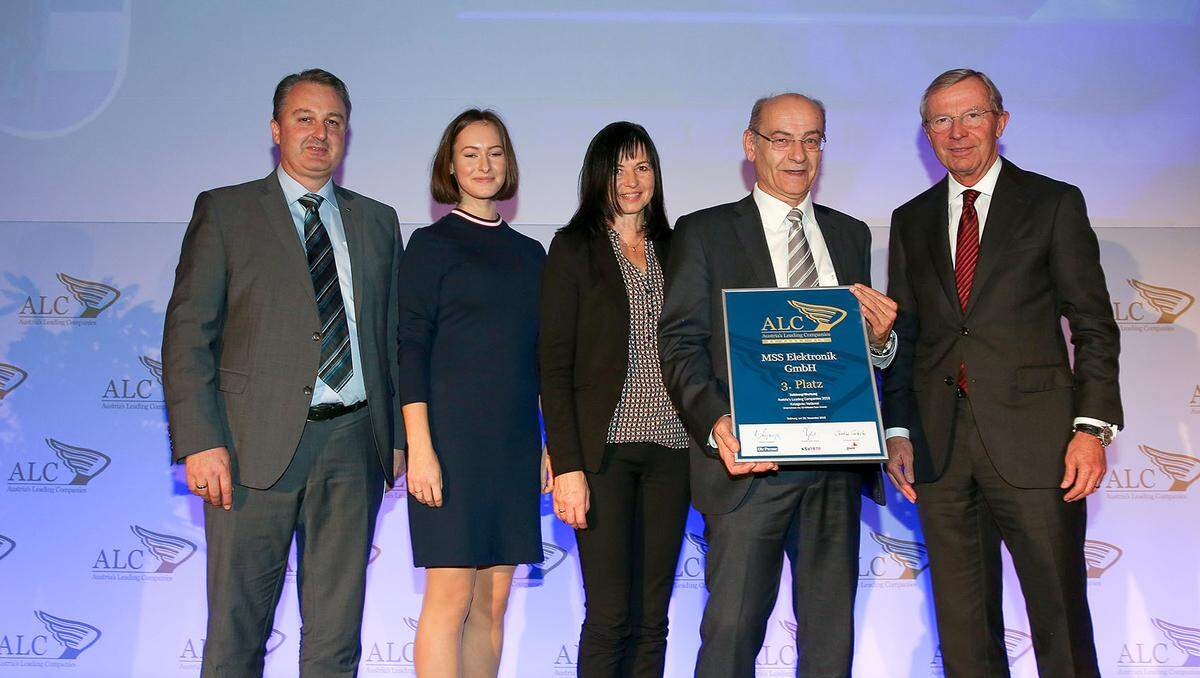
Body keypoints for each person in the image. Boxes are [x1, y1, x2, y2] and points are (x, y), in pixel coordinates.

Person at [162, 68, 403, 677]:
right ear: (276, 130)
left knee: (335, 643)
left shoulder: (378, 222)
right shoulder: (225, 211)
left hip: (354, 448)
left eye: (333, 122)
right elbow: (189, 333)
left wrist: (396, 438)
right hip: (248, 451)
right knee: (238, 635)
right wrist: (199, 441)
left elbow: (391, 338)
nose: (319, 133)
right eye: (305, 119)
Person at [882, 68, 1122, 677]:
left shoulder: (1052, 203)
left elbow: (1093, 323)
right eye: (941, 120)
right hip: (938, 450)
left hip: (1039, 444)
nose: (957, 132)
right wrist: (899, 431)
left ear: (1001, 122)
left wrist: (1091, 429)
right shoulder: (909, 220)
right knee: (964, 631)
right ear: (925, 133)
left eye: (971, 116)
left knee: (1059, 618)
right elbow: (907, 338)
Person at [658, 93, 899, 678]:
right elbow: (680, 345)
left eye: (812, 139)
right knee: (732, 633)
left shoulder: (848, 235)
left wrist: (880, 341)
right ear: (750, 145)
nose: (798, 154)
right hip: (747, 469)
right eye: (781, 139)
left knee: (828, 642)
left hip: (834, 471)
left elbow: (856, 354)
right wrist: (716, 422)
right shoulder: (704, 232)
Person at [398, 109, 550, 678]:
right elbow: (410, 347)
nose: (484, 165)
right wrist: (421, 447)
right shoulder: (430, 245)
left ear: (507, 163)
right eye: (470, 154)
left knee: (493, 601)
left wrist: (548, 444)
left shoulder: (532, 256)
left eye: (494, 152)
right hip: (450, 446)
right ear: (451, 166)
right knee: (450, 596)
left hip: (512, 446)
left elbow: (542, 360)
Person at [540, 121, 691, 677]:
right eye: (619, 168)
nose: (631, 180)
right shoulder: (573, 248)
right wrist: (569, 465)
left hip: (673, 454)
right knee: (609, 615)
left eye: (643, 167)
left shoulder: (678, 248)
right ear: (598, 176)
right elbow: (553, 367)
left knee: (653, 618)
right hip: (602, 455)